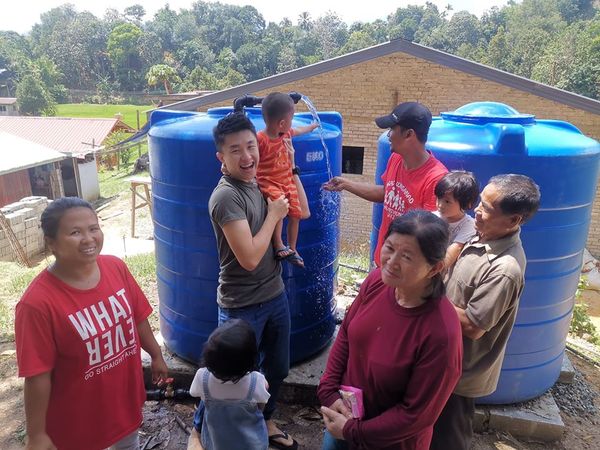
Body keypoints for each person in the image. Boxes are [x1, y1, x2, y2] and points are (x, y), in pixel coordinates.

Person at [14, 197, 168, 450]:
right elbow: (37, 376)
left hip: (123, 405)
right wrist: (36, 434)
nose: (88, 239)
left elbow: (138, 318)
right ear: (51, 242)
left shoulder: (115, 268)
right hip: (78, 423)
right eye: (75, 232)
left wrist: (156, 354)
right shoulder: (37, 304)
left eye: (93, 228)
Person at [318, 210, 463, 450]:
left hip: (391, 442)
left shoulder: (441, 333)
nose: (392, 262)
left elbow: (417, 415)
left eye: (407, 257)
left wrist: (353, 431)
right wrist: (329, 392)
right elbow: (346, 334)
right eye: (390, 247)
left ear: (435, 268)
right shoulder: (377, 281)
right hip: (343, 419)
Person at [196, 111, 297, 450]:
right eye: (235, 150)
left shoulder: (255, 183)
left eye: (251, 146)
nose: (247, 156)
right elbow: (250, 258)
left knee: (277, 368)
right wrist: (274, 215)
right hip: (242, 305)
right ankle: (202, 434)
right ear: (220, 157)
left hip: (274, 294)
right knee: (227, 379)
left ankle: (264, 422)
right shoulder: (226, 197)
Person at [430, 174, 541, 450]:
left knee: (447, 440)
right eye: (480, 203)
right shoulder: (479, 235)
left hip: (460, 374)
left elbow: (473, 325)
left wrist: (426, 293)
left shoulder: (505, 269)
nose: (477, 211)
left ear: (513, 220)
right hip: (440, 359)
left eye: (487, 208)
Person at [324, 102, 448, 267]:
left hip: (404, 271)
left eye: (392, 130)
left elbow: (429, 236)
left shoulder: (435, 179)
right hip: (382, 261)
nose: (388, 135)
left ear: (409, 134)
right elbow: (387, 192)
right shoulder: (396, 159)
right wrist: (346, 184)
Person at [257, 91, 317, 268]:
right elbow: (253, 160)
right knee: (280, 209)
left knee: (297, 214)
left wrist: (312, 127)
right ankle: (278, 244)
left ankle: (293, 247)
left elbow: (298, 130)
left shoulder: (286, 133)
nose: (292, 124)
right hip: (270, 182)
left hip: (287, 181)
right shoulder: (261, 139)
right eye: (291, 118)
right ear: (282, 123)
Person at [189, 319, 270, 450]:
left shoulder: (202, 377)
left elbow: (197, 396)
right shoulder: (257, 381)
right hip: (251, 444)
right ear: (250, 358)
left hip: (217, 443)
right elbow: (261, 406)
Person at [433, 170, 479, 269]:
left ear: (467, 203)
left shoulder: (469, 225)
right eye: (438, 198)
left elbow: (455, 250)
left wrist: (432, 271)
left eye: (447, 201)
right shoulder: (433, 218)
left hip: (442, 272)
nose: (440, 205)